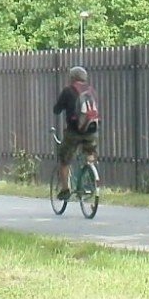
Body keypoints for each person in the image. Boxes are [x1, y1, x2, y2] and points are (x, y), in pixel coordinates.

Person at [52, 65, 100, 201]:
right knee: (90, 152)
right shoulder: (91, 91)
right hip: (92, 130)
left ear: (72, 78)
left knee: (64, 159)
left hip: (74, 132)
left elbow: (56, 109)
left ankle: (65, 190)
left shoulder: (68, 90)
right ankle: (90, 176)